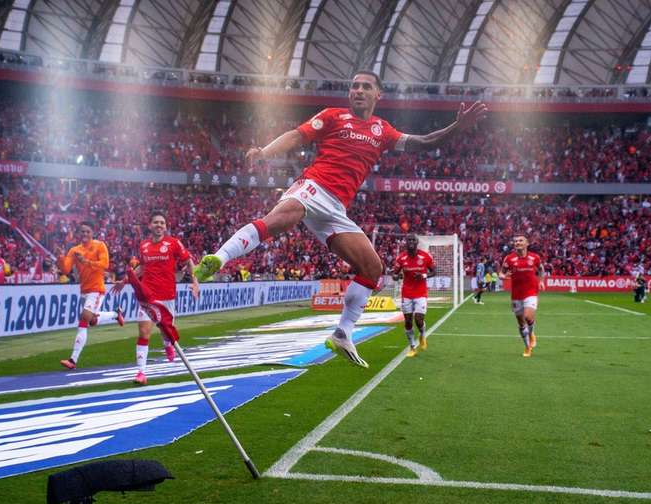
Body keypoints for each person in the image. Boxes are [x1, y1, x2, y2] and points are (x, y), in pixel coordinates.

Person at [192, 70, 487, 368]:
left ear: (377, 95)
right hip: (313, 187)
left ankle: (343, 333)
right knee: (279, 220)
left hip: (336, 209)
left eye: (366, 86)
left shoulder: (382, 131)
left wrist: (457, 128)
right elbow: (297, 135)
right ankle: (217, 258)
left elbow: (423, 141)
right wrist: (265, 152)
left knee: (373, 268)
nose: (358, 90)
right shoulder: (333, 116)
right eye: (354, 86)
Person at [117, 212, 200, 385]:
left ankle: (168, 345)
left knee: (166, 331)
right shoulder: (144, 245)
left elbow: (189, 261)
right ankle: (141, 372)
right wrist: (126, 281)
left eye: (162, 222)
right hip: (147, 296)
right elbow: (142, 268)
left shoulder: (173, 243)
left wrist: (195, 282)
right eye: (156, 222)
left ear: (165, 226)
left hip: (167, 296)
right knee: (144, 332)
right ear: (150, 225)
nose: (159, 225)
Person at [57, 221, 124, 369]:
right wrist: (60, 258)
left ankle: (73, 360)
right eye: (82, 232)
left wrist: (86, 261)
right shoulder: (74, 250)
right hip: (84, 290)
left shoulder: (100, 245)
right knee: (92, 320)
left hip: (96, 289)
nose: (85, 234)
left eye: (88, 231)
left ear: (92, 233)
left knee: (84, 319)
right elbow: (66, 269)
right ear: (79, 234)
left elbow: (105, 265)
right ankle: (114, 314)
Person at [499, 234, 545, 358]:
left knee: (528, 317)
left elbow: (541, 269)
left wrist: (541, 281)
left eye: (520, 240)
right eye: (515, 241)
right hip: (516, 293)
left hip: (531, 292)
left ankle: (531, 334)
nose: (517, 242)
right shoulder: (509, 259)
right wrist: (504, 276)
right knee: (521, 323)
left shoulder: (534, 257)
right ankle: (527, 347)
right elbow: (501, 274)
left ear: (527, 243)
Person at [392, 234, 435, 357]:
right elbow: (395, 274)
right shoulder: (401, 258)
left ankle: (422, 335)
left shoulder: (425, 256)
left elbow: (434, 271)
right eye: (409, 240)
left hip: (420, 293)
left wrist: (423, 276)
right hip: (406, 293)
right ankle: (412, 347)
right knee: (408, 322)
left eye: (413, 240)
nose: (411, 242)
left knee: (419, 319)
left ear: (417, 242)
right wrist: (396, 276)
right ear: (406, 243)